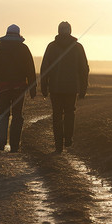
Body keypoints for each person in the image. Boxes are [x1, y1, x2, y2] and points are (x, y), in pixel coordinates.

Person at [40, 21, 89, 152]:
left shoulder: (51, 47)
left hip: (55, 88)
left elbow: (45, 68)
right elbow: (84, 69)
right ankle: (68, 138)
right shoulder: (78, 47)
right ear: (70, 31)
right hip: (72, 88)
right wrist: (83, 89)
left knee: (57, 115)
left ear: (58, 31)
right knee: (69, 113)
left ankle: (58, 145)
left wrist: (44, 87)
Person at [0, 24, 37, 152]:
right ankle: (14, 145)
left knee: (3, 114)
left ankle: (1, 142)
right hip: (19, 88)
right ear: (19, 34)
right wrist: (32, 88)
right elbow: (30, 70)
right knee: (17, 115)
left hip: (2, 88)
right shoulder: (24, 48)